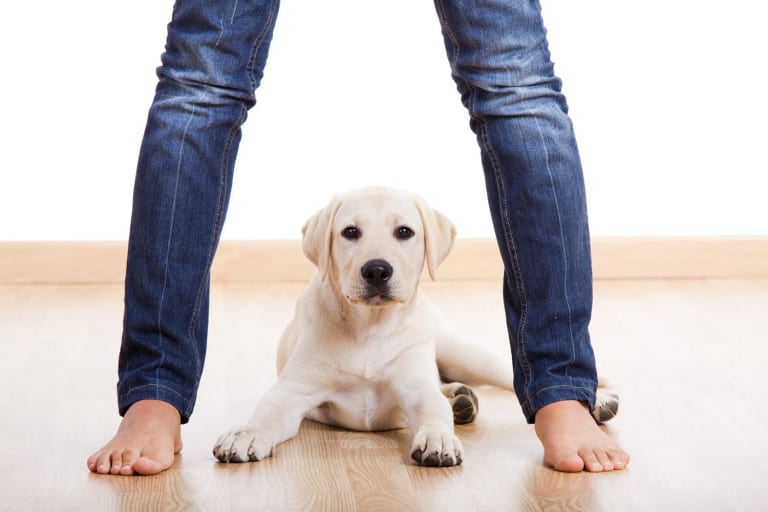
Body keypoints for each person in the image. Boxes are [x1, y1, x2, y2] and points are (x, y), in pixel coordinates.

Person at [87, 0, 629, 475]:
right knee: (200, 81)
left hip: (408, 361)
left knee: (516, 79)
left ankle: (561, 393)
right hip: (330, 358)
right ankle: (153, 395)